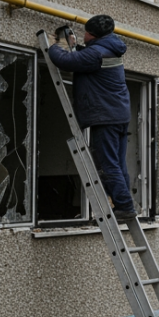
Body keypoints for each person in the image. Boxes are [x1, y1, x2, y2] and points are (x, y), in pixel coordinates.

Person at [47, 15, 137, 221]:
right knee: (117, 164)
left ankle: (124, 206)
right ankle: (125, 204)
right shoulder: (107, 48)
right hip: (118, 116)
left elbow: (64, 60)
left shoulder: (96, 53)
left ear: (93, 34)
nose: (83, 34)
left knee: (107, 165)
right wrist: (75, 47)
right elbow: (87, 58)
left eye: (85, 31)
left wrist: (55, 45)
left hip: (105, 117)